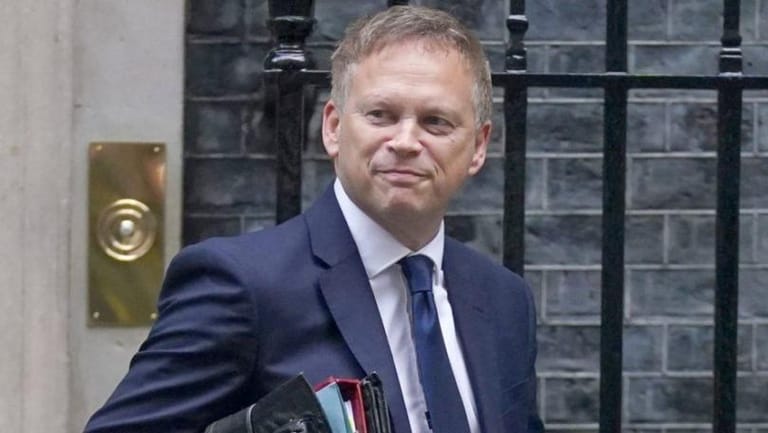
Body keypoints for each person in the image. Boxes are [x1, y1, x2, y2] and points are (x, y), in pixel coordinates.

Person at [84, 6, 543, 433]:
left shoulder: (504, 301)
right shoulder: (244, 285)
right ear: (333, 128)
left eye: (436, 122)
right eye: (380, 115)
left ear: (478, 146)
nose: (405, 141)